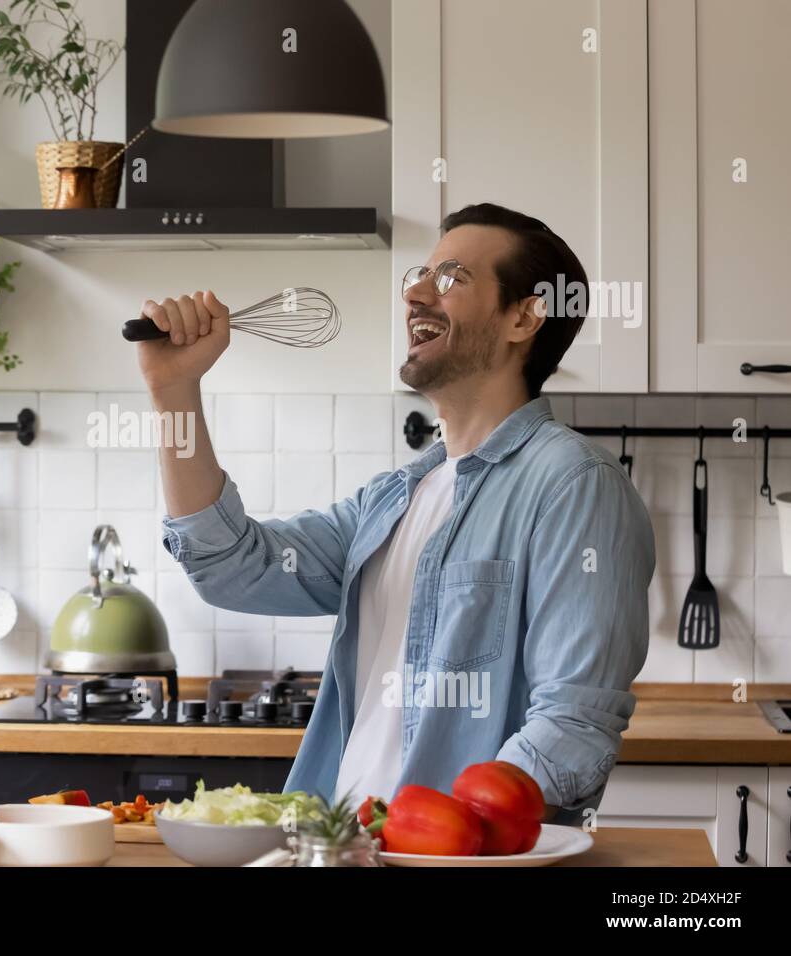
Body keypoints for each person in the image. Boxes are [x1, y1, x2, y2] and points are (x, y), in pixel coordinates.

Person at [137, 203, 654, 824]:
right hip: (343, 844)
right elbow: (230, 566)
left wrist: (437, 836)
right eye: (419, 275)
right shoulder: (392, 499)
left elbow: (571, 727)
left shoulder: (575, 485)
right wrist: (173, 393)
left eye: (451, 278)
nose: (415, 292)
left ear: (524, 315)